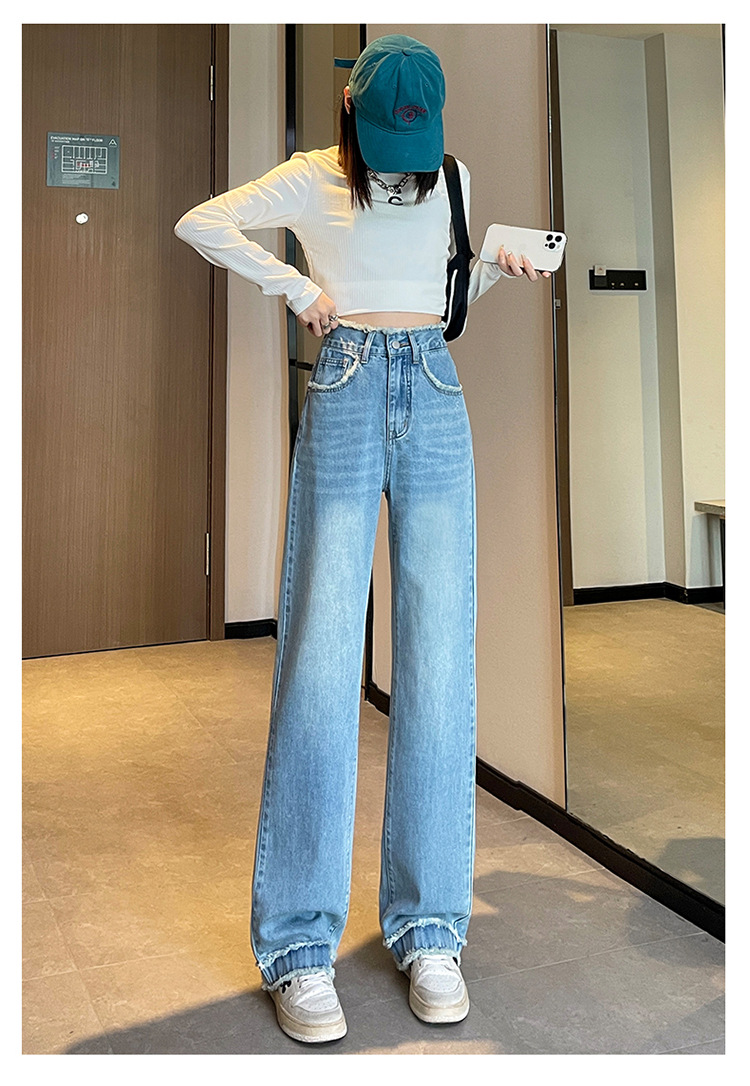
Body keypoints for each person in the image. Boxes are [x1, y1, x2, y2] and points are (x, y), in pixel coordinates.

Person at [174, 33, 550, 1045]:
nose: (400, 161)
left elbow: (445, 307)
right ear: (352, 106)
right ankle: (301, 948)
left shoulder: (452, 179)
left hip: (433, 388)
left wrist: (498, 262)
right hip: (343, 389)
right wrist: (299, 291)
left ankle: (430, 930)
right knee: (320, 663)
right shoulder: (311, 177)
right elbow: (202, 220)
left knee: (439, 666)